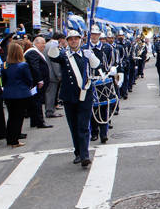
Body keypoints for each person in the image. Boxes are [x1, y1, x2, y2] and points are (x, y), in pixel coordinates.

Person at [47, 30, 100, 167]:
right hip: (69, 96)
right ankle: (78, 152)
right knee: (74, 126)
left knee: (83, 126)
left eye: (76, 39)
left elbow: (96, 65)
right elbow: (52, 56)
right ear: (67, 41)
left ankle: (84, 155)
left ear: (80, 40)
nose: (73, 41)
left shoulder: (86, 53)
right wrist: (54, 42)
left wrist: (91, 57)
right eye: (71, 39)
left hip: (85, 95)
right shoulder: (65, 55)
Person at [85, 25, 115, 143]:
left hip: (103, 80)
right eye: (92, 34)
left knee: (104, 106)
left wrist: (109, 71)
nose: (94, 36)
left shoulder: (107, 47)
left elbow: (111, 61)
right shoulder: (85, 48)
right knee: (92, 108)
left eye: (96, 34)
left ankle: (104, 133)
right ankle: (94, 132)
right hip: (90, 80)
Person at [1, 42, 33, 148]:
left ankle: (10, 138)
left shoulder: (5, 65)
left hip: (8, 94)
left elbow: (4, 80)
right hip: (21, 94)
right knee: (18, 117)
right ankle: (15, 140)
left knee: (11, 117)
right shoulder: (23, 65)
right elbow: (29, 80)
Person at [23, 37, 53, 129]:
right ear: (36, 43)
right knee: (37, 102)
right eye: (42, 43)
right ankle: (40, 122)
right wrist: (40, 80)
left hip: (37, 83)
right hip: (37, 83)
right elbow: (35, 67)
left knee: (35, 102)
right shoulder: (32, 52)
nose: (44, 45)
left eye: (44, 43)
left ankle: (35, 121)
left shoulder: (35, 52)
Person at [44, 33, 65, 118]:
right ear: (60, 39)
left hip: (48, 73)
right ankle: (50, 111)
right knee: (51, 93)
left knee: (50, 93)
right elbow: (55, 62)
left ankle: (50, 110)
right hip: (52, 74)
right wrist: (59, 75)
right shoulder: (53, 46)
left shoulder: (47, 44)